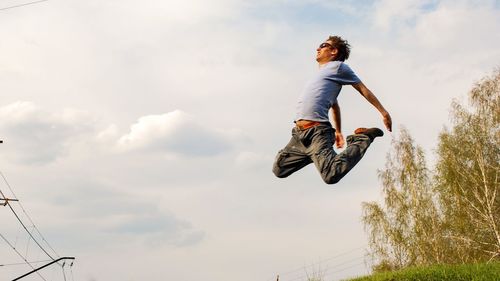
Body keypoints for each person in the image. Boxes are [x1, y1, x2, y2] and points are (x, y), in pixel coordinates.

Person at [272, 36, 392, 184]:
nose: (318, 48)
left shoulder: (338, 67)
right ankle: (316, 156)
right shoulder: (322, 75)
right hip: (299, 135)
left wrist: (383, 112)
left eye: (323, 45)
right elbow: (335, 106)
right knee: (279, 169)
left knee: (330, 175)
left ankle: (362, 139)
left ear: (334, 51)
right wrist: (339, 131)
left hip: (318, 132)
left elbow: (362, 89)